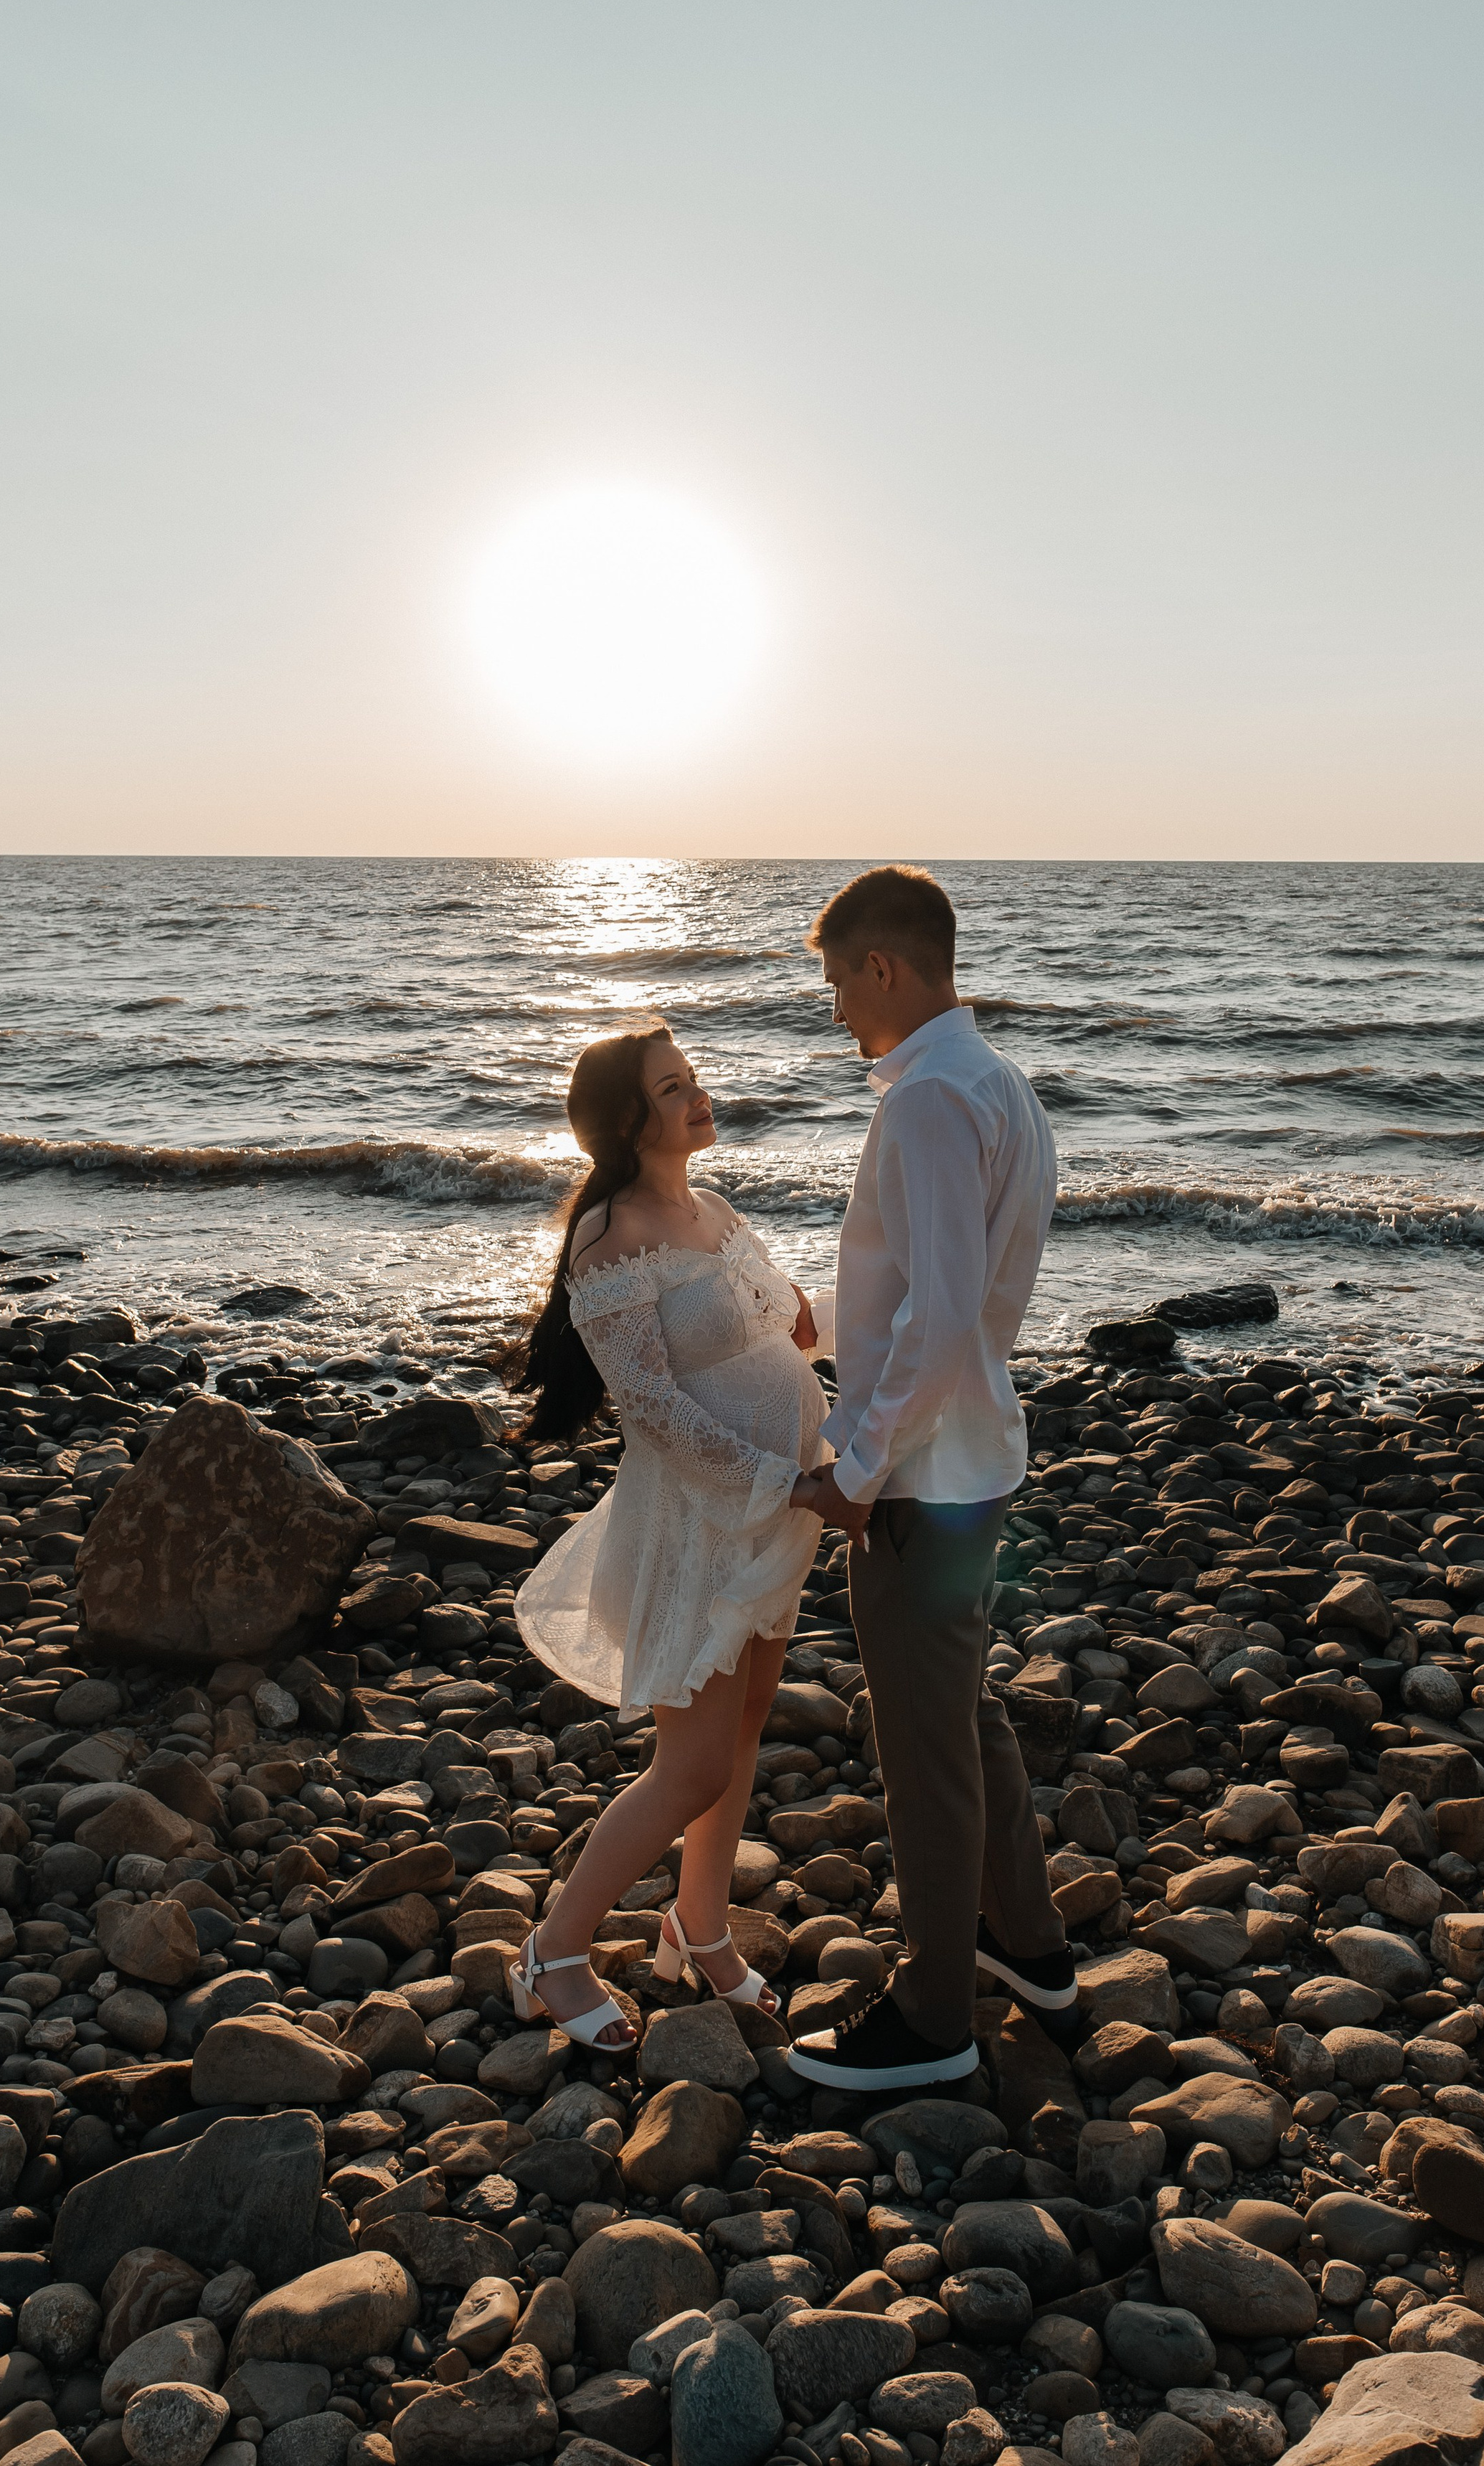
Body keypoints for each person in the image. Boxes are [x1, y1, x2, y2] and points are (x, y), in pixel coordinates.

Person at [785, 865, 1074, 2090]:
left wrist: (855, 1467)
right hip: (969, 1454)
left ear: (886, 967)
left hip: (921, 1472)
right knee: (963, 1710)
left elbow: (944, 1316)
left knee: (924, 1752)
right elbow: (963, 1306)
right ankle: (1031, 1949)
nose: (837, 1005)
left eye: (839, 978)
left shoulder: (928, 1101)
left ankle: (935, 2018)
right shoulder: (995, 1081)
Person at [507, 1022, 831, 2050]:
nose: (698, 1097)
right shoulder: (612, 1235)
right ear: (625, 1120)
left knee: (744, 1728)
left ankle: (695, 1926)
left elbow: (792, 1327)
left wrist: (905, 1281)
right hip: (699, 1525)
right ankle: (552, 1953)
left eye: (692, 1078)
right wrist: (794, 1483)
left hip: (776, 1520)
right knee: (690, 1763)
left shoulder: (716, 1209)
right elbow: (652, 1409)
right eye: (673, 1087)